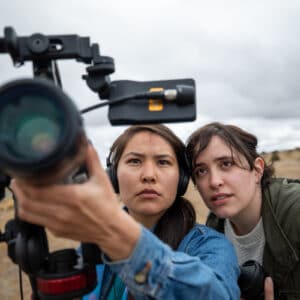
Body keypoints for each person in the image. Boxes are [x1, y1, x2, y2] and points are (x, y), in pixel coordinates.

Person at [12, 124, 240, 300]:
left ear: (180, 179)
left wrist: (118, 236)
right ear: (114, 176)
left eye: (163, 162)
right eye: (134, 161)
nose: (148, 175)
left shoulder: (209, 246)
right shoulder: (91, 248)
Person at [186, 122, 300, 300]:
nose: (214, 181)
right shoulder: (212, 232)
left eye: (226, 164)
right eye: (201, 171)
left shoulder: (295, 212)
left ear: (257, 170)